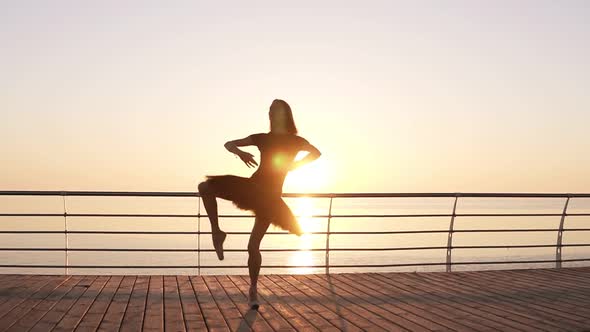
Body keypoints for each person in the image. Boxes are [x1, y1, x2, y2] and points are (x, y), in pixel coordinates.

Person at [198, 99, 321, 309]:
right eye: (270, 111)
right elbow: (229, 143)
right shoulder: (262, 138)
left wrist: (295, 165)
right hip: (253, 187)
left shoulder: (296, 141)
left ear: (285, 114)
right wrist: (241, 153)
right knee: (205, 187)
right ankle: (217, 232)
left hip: (270, 198)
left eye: (275, 110)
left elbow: (316, 153)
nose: (271, 114)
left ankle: (253, 290)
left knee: (253, 246)